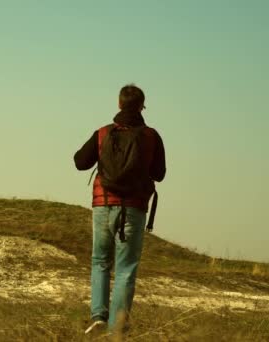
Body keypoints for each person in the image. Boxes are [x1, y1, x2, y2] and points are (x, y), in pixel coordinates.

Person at [74, 84, 166, 334]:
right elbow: (160, 174)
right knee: (126, 268)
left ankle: (98, 316)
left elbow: (80, 162)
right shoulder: (151, 136)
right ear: (141, 106)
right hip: (134, 209)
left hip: (104, 204)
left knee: (101, 261)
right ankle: (117, 328)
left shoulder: (103, 133)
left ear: (119, 104)